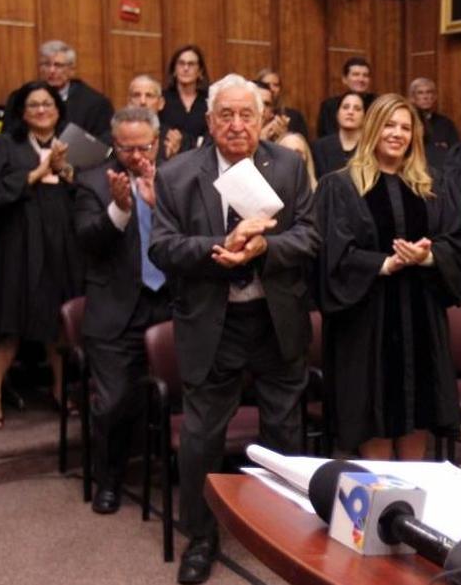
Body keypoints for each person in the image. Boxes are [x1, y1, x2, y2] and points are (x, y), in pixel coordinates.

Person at [149, 74, 319, 584]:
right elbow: (161, 247)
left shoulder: (288, 166)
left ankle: (284, 532)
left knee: (284, 431)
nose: (238, 124)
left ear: (264, 118)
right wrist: (216, 247)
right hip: (211, 323)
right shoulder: (178, 174)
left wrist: (267, 248)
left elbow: (309, 236)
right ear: (209, 121)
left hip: (274, 318)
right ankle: (200, 538)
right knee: (202, 435)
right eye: (227, 115)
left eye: (248, 114)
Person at [315, 94, 461, 460]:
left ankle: (411, 501)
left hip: (420, 314)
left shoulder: (432, 185)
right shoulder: (340, 186)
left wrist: (429, 255)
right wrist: (384, 264)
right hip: (367, 319)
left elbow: (459, 242)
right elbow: (330, 256)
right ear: (373, 128)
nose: (397, 134)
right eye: (389, 124)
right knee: (375, 408)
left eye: (405, 127)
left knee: (418, 405)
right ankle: (380, 501)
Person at [74, 107, 172, 514]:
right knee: (114, 402)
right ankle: (109, 480)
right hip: (117, 311)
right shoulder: (93, 182)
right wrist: (120, 211)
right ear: (114, 144)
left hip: (168, 304)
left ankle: (177, 471)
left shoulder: (174, 178)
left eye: (144, 145)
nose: (135, 155)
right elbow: (86, 240)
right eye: (126, 147)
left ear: (158, 140)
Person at [0, 81, 82, 429]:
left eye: (48, 104)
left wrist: (67, 172)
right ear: (22, 113)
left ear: (58, 110)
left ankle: (59, 388)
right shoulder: (3, 146)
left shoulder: (71, 147)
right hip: (19, 247)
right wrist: (38, 172)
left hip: (61, 247)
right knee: (12, 324)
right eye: (34, 105)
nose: (41, 110)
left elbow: (86, 197)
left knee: (59, 324)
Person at [3, 40, 114, 138]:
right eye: (46, 64)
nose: (51, 70)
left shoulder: (96, 104)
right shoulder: (19, 98)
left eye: (58, 65)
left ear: (72, 70)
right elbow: (8, 136)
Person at [117, 75, 188, 160]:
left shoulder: (177, 141)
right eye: (136, 95)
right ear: (129, 102)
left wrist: (173, 159)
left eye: (149, 96)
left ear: (161, 103)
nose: (142, 102)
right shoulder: (115, 137)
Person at [159, 44, 210, 141]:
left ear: (200, 71)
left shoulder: (210, 99)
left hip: (202, 154)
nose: (186, 68)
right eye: (181, 63)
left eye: (191, 64)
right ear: (174, 70)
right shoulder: (162, 98)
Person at [312, 91, 366, 179]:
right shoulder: (319, 147)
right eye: (345, 107)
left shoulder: (371, 147)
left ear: (364, 116)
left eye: (357, 109)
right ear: (337, 114)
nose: (350, 112)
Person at [316, 57, 374, 138]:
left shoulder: (377, 104)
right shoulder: (329, 106)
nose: (361, 79)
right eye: (356, 74)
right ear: (344, 79)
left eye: (365, 75)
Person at [409, 77, 460, 156]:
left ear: (435, 97)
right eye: (420, 93)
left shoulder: (446, 123)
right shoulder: (408, 121)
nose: (425, 97)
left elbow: (456, 151)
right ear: (412, 98)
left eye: (429, 92)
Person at [255, 68, 309, 138]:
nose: (272, 89)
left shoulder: (294, 117)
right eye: (266, 84)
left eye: (276, 85)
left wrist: (284, 137)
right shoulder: (250, 116)